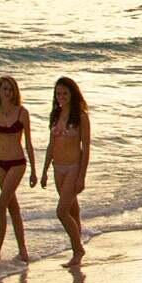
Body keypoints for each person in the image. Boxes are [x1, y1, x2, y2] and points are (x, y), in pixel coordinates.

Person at [0, 75, 36, 263]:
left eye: (11, 89)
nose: (8, 93)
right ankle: (23, 252)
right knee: (13, 208)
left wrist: (34, 171)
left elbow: (28, 143)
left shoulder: (22, 113)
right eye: (5, 89)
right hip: (0, 164)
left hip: (18, 163)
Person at [42, 76, 91, 266]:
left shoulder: (81, 117)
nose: (61, 97)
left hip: (73, 167)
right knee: (73, 209)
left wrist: (82, 177)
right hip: (57, 168)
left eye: (65, 93)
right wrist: (45, 169)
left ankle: (77, 250)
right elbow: (51, 145)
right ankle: (78, 243)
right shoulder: (55, 115)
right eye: (58, 94)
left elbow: (86, 148)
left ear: (72, 93)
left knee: (62, 212)